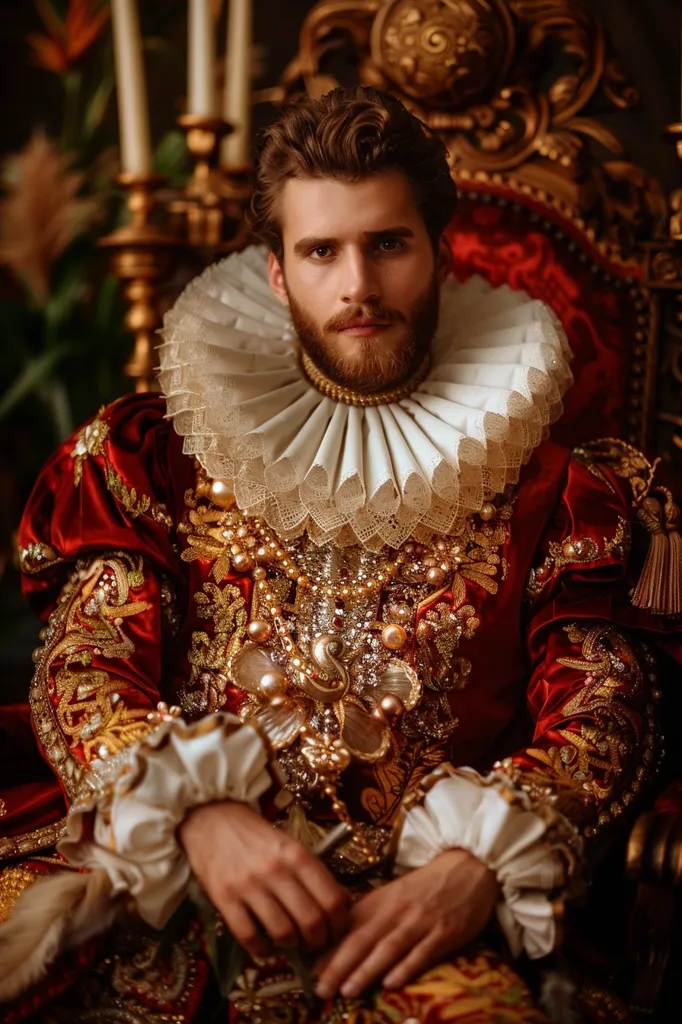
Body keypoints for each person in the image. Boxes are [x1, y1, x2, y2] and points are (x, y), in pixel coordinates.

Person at [0, 85, 679, 1024]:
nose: (358, 285)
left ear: (440, 251)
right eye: (322, 251)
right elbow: (88, 666)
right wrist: (197, 811)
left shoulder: (558, 492)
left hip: (408, 915)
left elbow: (606, 712)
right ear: (277, 272)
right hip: (151, 868)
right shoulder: (155, 453)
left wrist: (472, 868)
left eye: (387, 244)